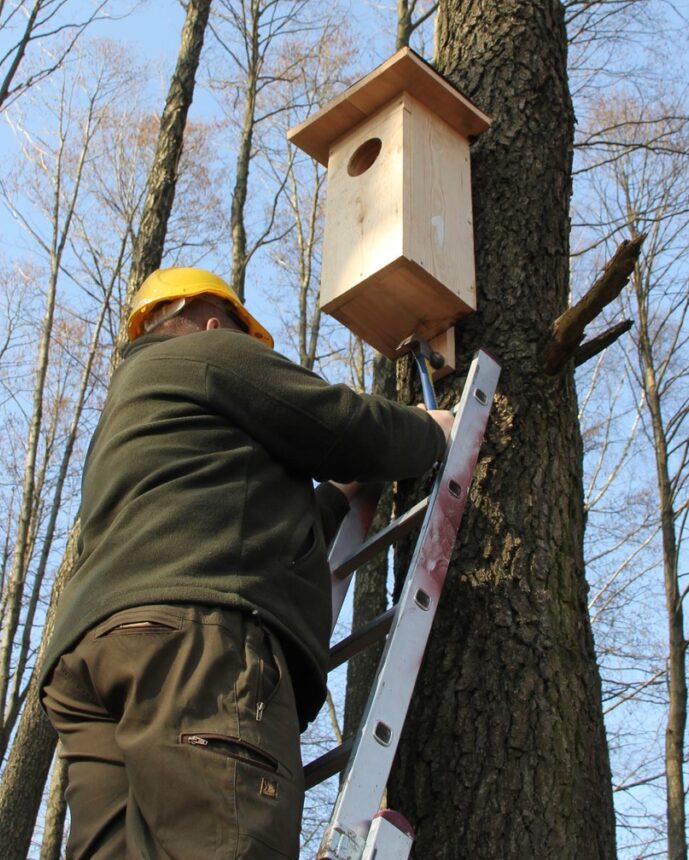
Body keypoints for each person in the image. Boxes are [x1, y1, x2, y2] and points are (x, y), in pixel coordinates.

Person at [40, 267, 453, 859]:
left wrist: (335, 499)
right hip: (194, 640)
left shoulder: (131, 413)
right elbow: (339, 424)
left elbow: (236, 513)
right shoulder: (207, 352)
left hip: (88, 664)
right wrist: (431, 432)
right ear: (214, 321)